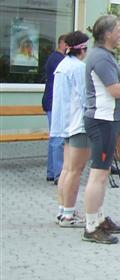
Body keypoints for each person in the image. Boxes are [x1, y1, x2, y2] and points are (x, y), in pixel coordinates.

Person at [82, 15, 120, 244]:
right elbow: (114, 90)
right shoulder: (101, 58)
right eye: (118, 29)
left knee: (103, 174)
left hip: (108, 120)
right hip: (102, 120)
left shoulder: (105, 56)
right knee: (99, 173)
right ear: (107, 34)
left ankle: (100, 218)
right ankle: (91, 226)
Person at [50, 31, 90, 228]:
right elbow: (85, 97)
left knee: (67, 169)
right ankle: (68, 215)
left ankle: (63, 210)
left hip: (65, 124)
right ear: (82, 49)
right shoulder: (78, 68)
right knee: (76, 170)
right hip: (78, 124)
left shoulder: (62, 65)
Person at [42, 34, 67, 182]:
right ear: (63, 44)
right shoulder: (59, 59)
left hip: (51, 102)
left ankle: (52, 172)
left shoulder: (54, 58)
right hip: (54, 103)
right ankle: (58, 174)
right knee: (58, 138)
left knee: (54, 138)